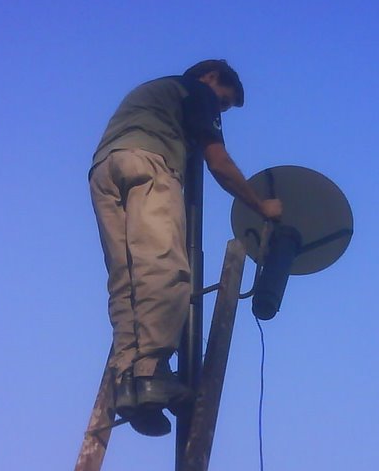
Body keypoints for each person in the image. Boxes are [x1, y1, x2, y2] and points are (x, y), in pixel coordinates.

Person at [89, 60, 283, 436]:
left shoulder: (152, 94)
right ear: (212, 78)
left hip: (103, 170)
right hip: (150, 167)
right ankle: (150, 373)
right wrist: (261, 206)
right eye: (224, 104)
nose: (220, 109)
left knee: (126, 280)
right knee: (165, 269)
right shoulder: (197, 91)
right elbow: (218, 162)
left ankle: (128, 383)